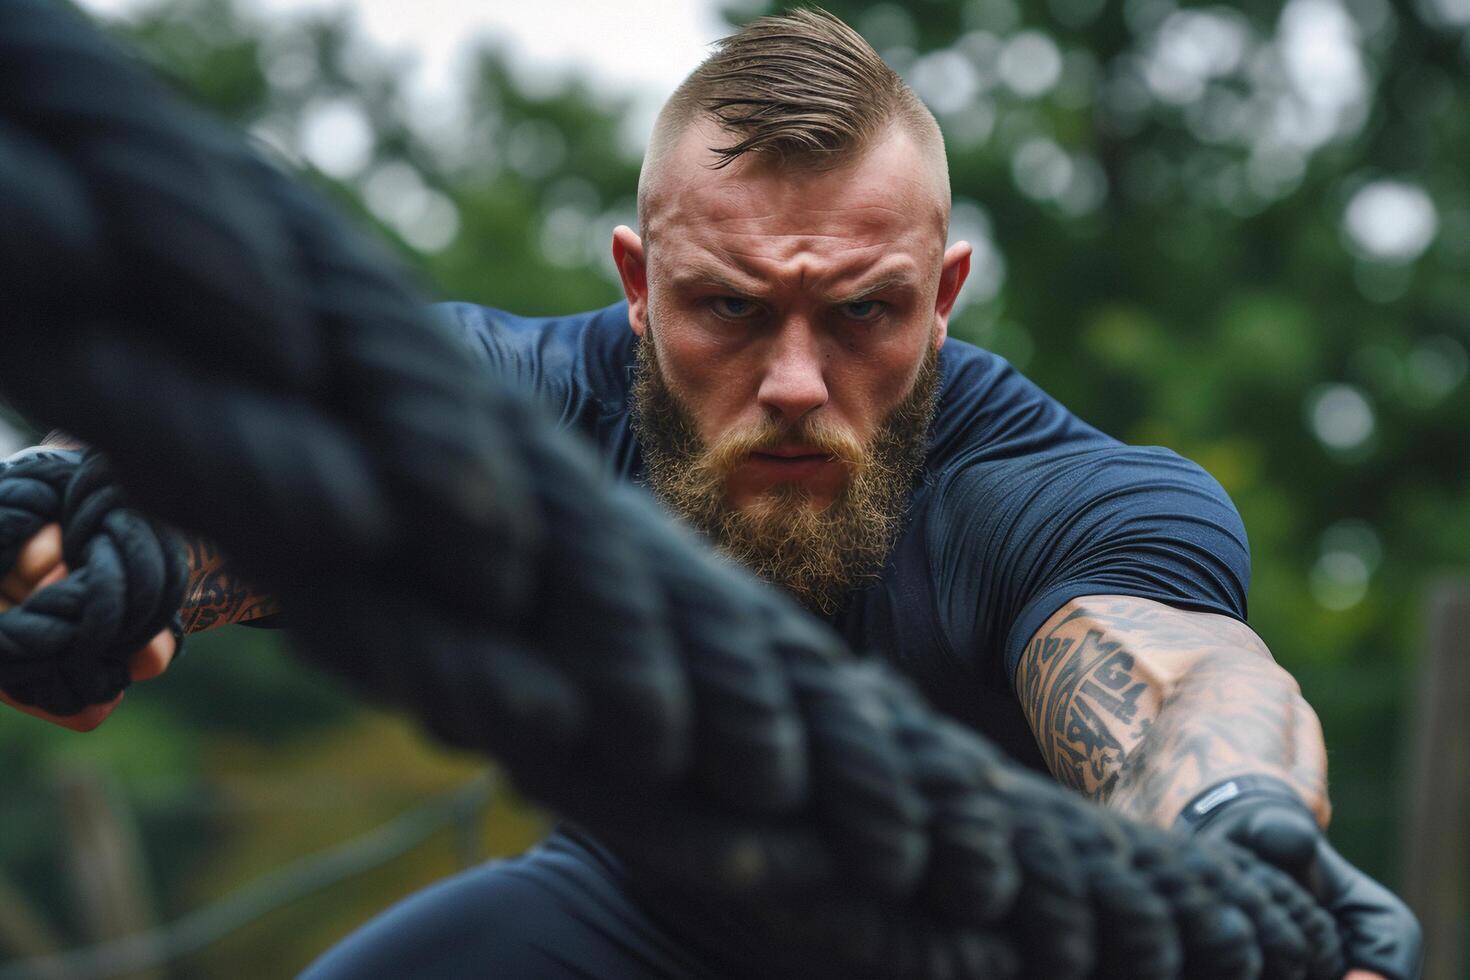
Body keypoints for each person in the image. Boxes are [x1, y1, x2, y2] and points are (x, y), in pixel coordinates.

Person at [0, 8, 1418, 979]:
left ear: (942, 297)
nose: (794, 380)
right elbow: (309, 435)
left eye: (860, 315)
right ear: (635, 285)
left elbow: (1180, 679)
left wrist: (1243, 831)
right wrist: (119, 542)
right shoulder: (534, 404)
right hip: (652, 912)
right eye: (728, 310)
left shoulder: (1048, 493)